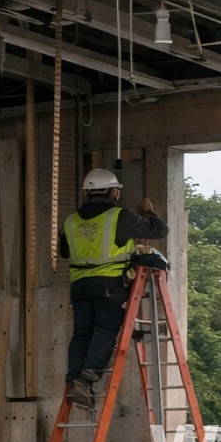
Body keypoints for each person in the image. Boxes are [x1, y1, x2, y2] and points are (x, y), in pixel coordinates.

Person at [59, 168, 168, 409]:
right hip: (109, 283)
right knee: (105, 331)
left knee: (81, 333)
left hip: (79, 285)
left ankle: (73, 379)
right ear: (114, 191)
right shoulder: (120, 217)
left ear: (88, 193)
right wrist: (149, 212)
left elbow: (65, 252)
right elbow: (159, 231)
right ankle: (85, 378)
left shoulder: (70, 221)